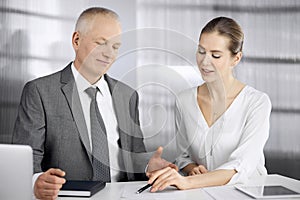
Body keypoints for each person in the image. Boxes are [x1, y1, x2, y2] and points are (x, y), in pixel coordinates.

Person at [12, 7, 174, 200]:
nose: (109, 54)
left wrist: (148, 166)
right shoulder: (39, 91)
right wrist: (36, 181)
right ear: (76, 40)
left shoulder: (127, 95)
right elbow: (26, 160)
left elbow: (133, 156)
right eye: (101, 43)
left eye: (115, 47)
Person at [146, 16, 272, 192]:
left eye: (216, 55)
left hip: (246, 193)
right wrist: (192, 169)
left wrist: (187, 183)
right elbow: (184, 156)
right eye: (201, 51)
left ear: (236, 59)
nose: (205, 62)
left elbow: (242, 164)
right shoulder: (184, 100)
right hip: (202, 194)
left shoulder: (257, 102)